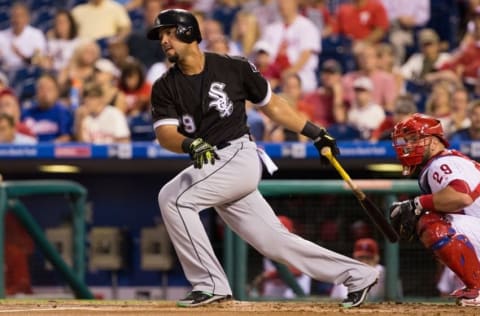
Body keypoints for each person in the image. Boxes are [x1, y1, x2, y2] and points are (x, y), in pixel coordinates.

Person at [147, 8, 378, 308]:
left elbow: (274, 107)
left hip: (238, 154)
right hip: (210, 163)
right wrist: (190, 144)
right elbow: (165, 135)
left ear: (188, 32)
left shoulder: (233, 67)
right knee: (275, 242)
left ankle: (210, 283)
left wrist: (316, 133)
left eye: (169, 32)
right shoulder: (165, 85)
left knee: (173, 198)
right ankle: (358, 274)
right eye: (160, 36)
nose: (164, 40)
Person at [389, 113, 480, 306]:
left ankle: (478, 289)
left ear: (432, 141)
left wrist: (418, 203)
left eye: (414, 139)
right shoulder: (451, 160)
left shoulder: (441, 163)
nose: (408, 145)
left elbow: (460, 196)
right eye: (407, 140)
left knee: (432, 222)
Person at [250, 216, 312, 298]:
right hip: (277, 291)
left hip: (295, 292)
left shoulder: (298, 246)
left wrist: (267, 276)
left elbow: (297, 271)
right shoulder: (268, 248)